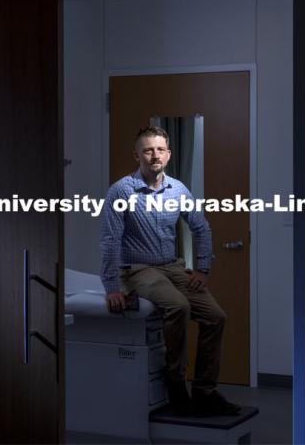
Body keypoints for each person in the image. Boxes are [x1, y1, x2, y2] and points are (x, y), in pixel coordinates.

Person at [100, 125, 241, 416]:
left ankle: (205, 391)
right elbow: (110, 239)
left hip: (173, 267)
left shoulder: (178, 189)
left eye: (160, 149)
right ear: (136, 154)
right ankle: (176, 383)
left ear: (169, 153)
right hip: (138, 269)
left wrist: (203, 269)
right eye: (148, 150)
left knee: (216, 317)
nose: (155, 155)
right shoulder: (121, 190)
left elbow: (201, 228)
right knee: (178, 306)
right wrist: (112, 287)